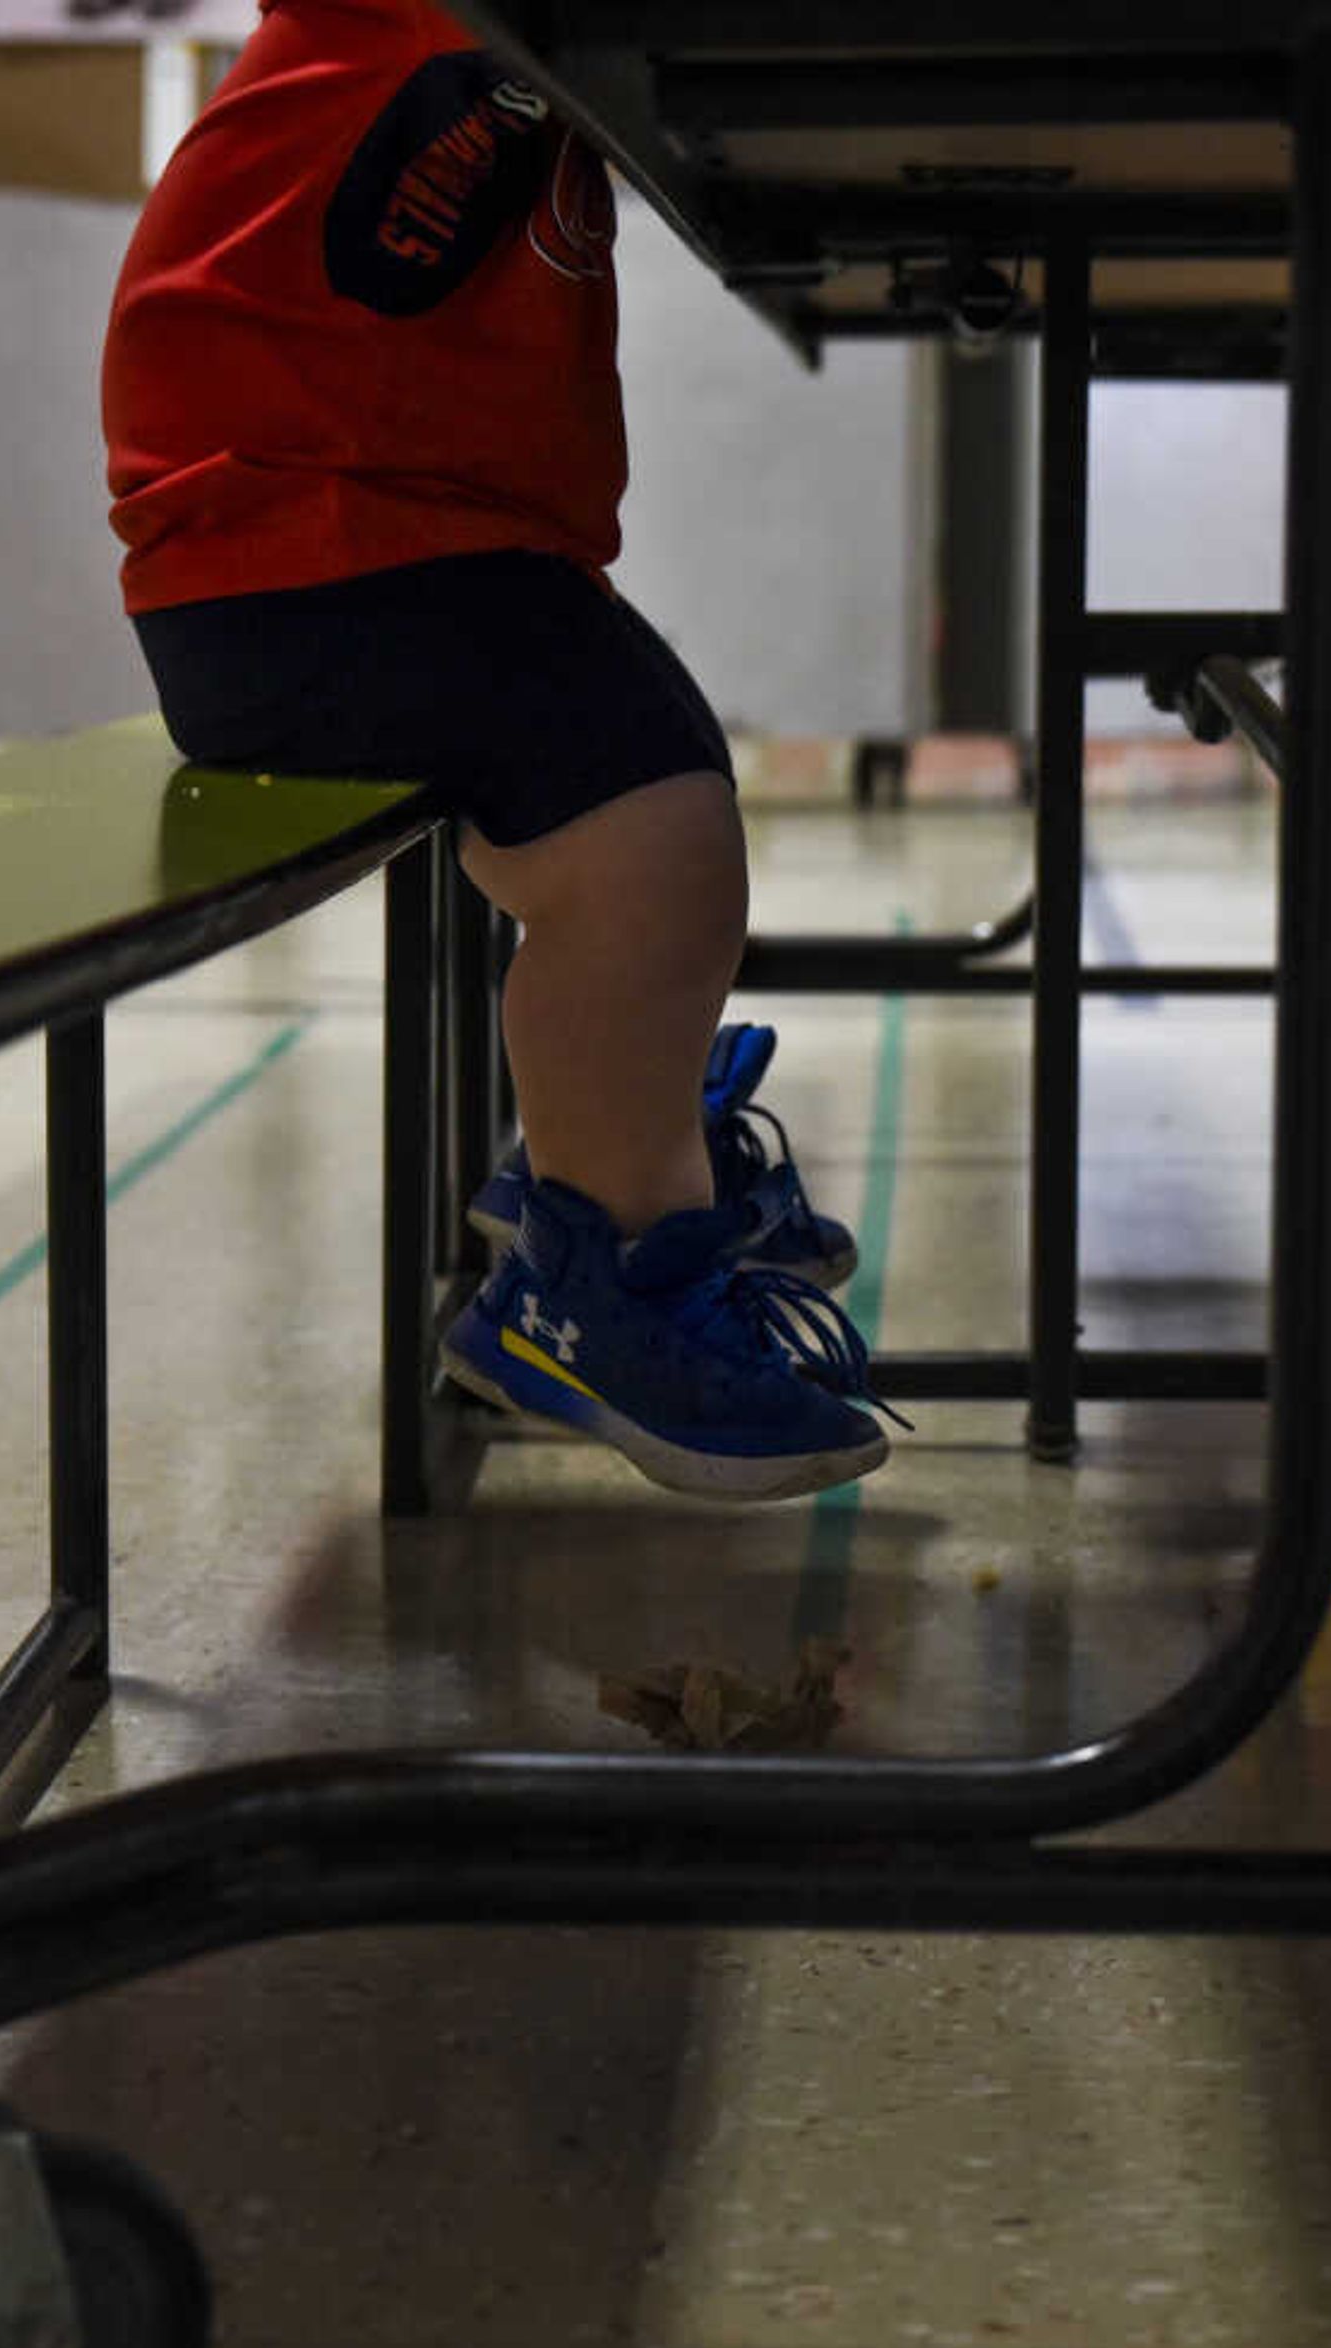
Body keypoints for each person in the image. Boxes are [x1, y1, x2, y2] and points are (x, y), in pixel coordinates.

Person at [101, 0, 888, 1502]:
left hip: (363, 541)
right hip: (308, 553)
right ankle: (602, 1277)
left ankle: (626, 1149)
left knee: (654, 768)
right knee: (647, 835)